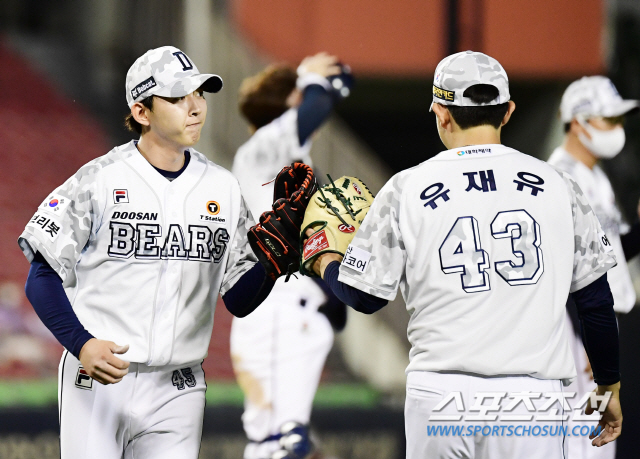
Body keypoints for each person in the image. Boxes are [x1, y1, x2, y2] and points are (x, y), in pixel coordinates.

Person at [306, 51, 622, 458]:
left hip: (441, 396)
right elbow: (595, 303)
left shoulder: (406, 188)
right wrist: (607, 389)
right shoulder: (559, 185)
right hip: (530, 401)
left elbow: (365, 296)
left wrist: (326, 260)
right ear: (507, 112)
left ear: (440, 113)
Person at [18, 46, 278, 459]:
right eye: (177, 98)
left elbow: (239, 300)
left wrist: (273, 262)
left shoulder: (223, 188)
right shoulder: (100, 180)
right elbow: (40, 277)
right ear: (141, 112)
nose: (194, 107)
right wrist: (81, 344)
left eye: (199, 94)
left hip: (179, 389)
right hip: (99, 378)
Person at [230, 53, 348, 459]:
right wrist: (310, 77)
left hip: (279, 308)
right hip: (278, 310)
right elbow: (313, 108)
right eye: (297, 94)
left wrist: (329, 292)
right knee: (287, 441)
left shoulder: (274, 159)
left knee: (273, 442)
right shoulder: (261, 151)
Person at [547, 75, 639, 459]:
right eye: (609, 119)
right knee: (582, 441)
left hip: (600, 321)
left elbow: (609, 253)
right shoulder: (558, 175)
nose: (617, 129)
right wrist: (585, 336)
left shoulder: (596, 177)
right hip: (579, 327)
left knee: (600, 442)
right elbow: (559, 267)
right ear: (579, 121)